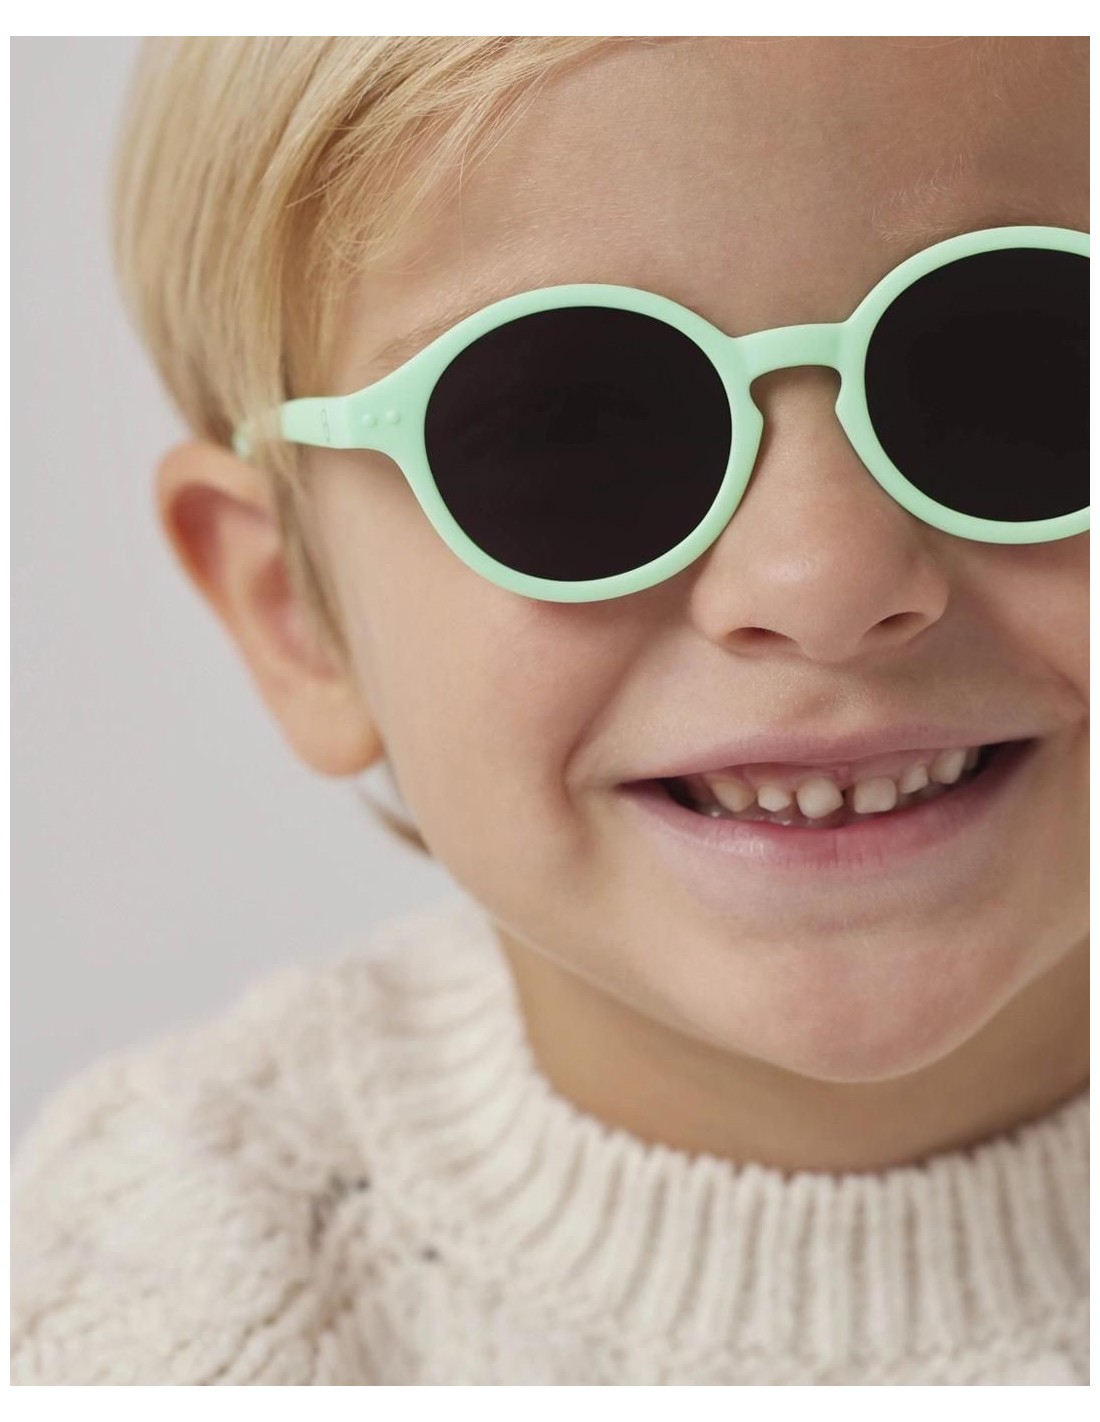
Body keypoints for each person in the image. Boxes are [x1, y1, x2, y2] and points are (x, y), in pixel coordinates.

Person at [11, 36, 1089, 1385]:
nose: (821, 581)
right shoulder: (135, 1298)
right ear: (295, 609)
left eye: (1018, 376)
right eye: (572, 432)